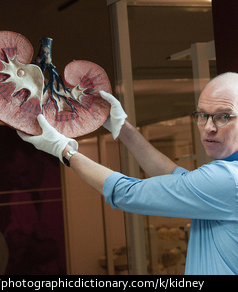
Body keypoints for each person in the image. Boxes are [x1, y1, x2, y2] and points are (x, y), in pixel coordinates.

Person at [18, 72, 238, 275]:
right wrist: (121, 126)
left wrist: (64, 151)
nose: (209, 126)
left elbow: (127, 193)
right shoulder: (227, 176)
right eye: (202, 115)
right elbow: (176, 178)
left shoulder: (228, 179)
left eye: (223, 117)